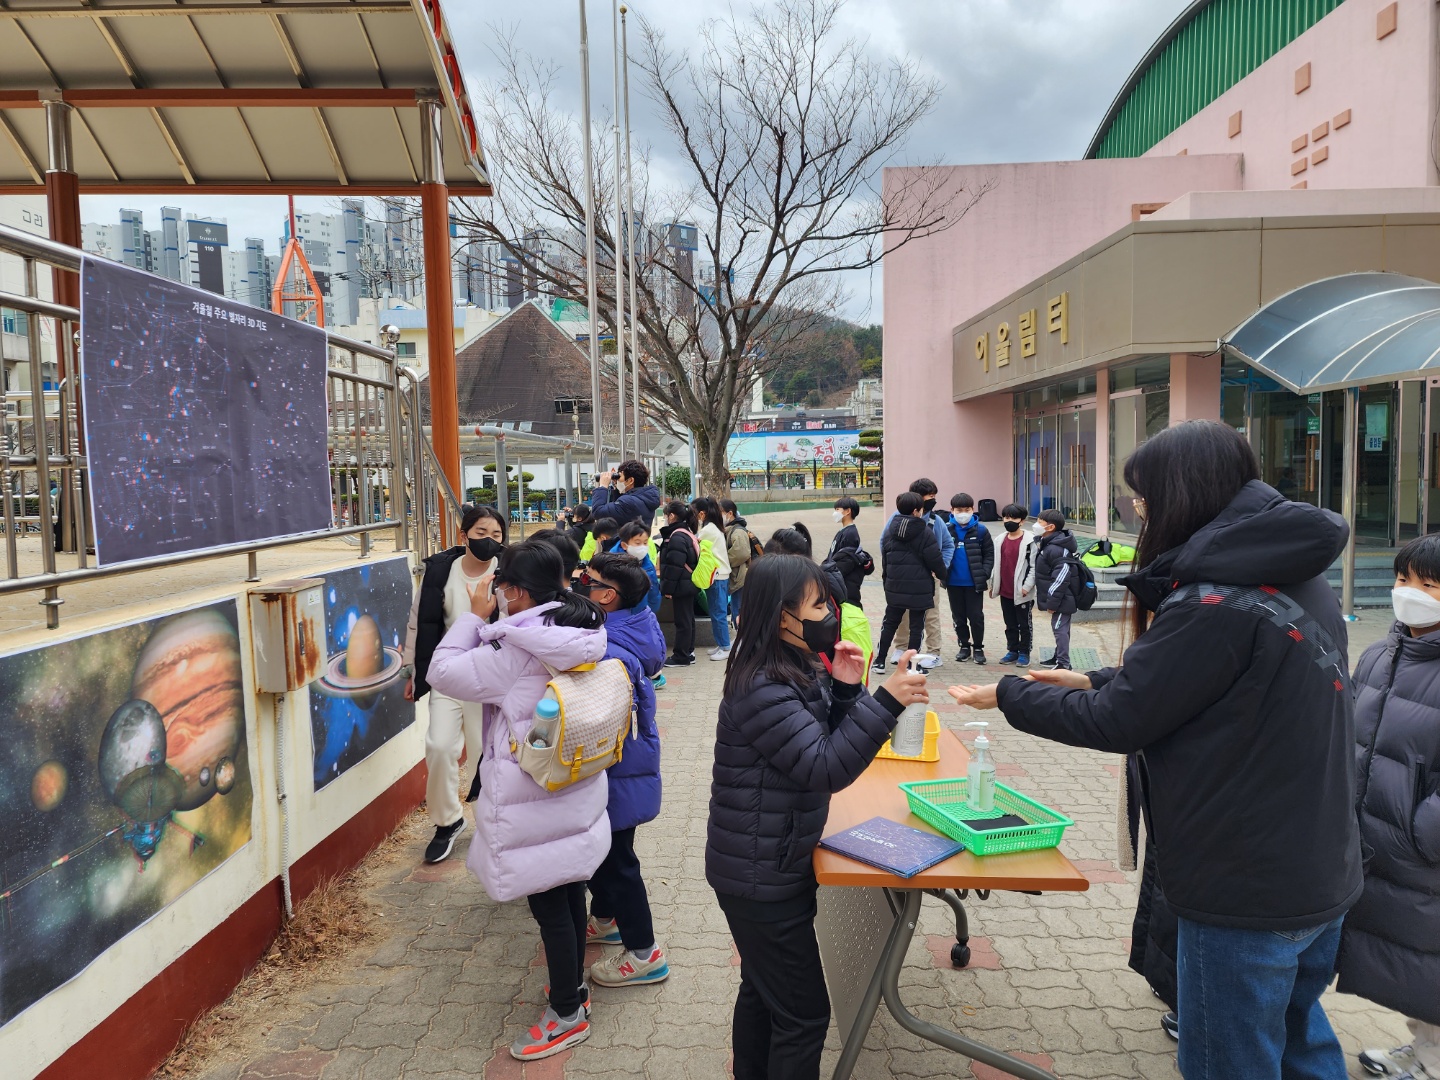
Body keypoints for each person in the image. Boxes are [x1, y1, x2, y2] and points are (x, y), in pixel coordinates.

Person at [947, 420, 1363, 1080]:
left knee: (1231, 1061)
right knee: (1298, 1044)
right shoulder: (1292, 577)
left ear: (1181, 496)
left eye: (1141, 501)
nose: (1138, 515)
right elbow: (1213, 686)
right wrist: (1090, 676)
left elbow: (1121, 721)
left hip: (1244, 891)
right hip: (1315, 871)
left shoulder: (1214, 600)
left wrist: (1009, 695)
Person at [707, 554, 929, 1080]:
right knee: (804, 1016)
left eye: (827, 601)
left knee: (763, 992)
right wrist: (886, 702)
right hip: (761, 876)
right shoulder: (763, 685)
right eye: (816, 604)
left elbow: (822, 736)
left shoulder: (790, 663)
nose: (828, 613)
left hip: (769, 862)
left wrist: (849, 687)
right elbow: (825, 765)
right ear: (779, 615)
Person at [426, 540, 611, 1061]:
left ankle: (567, 1016)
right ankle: (571, 991)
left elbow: (441, 673)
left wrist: (472, 617)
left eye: (502, 586)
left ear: (517, 591)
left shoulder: (515, 647)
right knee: (569, 891)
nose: (498, 594)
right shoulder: (579, 628)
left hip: (532, 797)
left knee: (550, 904)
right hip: (573, 784)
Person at [1336, 533, 1440, 1080]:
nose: (1409, 593)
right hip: (1380, 840)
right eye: (1404, 579)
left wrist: (1422, 835)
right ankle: (1422, 1052)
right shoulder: (1383, 652)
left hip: (1420, 851)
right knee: (1414, 966)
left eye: (1429, 584)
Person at [574, 553, 671, 987]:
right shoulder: (638, 620)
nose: (579, 585)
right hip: (627, 770)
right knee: (610, 854)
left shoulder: (607, 650)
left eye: (586, 581)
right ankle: (607, 918)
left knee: (616, 862)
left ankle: (645, 953)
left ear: (607, 596)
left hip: (616, 773)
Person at [402, 504, 508, 864]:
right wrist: (411, 669)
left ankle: (489, 825)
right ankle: (447, 821)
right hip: (447, 672)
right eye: (481, 534)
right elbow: (419, 621)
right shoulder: (439, 571)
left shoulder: (508, 570)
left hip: (487, 676)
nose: (489, 541)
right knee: (440, 746)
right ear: (463, 536)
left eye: (496, 535)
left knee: (483, 753)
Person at [873, 490, 946, 674]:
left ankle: (879, 661)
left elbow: (885, 557)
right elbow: (935, 558)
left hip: (895, 585)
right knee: (916, 626)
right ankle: (913, 664)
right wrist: (943, 575)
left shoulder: (890, 530)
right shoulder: (924, 531)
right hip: (919, 587)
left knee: (889, 623)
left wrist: (886, 581)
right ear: (916, 511)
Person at [893, 478, 953, 668]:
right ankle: (901, 648)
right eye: (929, 497)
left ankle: (934, 652)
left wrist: (941, 567)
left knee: (931, 614)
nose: (933, 500)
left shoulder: (936, 521)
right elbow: (884, 544)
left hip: (928, 578)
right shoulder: (898, 518)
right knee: (903, 614)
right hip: (904, 577)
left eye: (934, 497)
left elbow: (948, 545)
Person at [945, 493, 993, 665]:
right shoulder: (946, 529)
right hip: (953, 583)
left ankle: (978, 648)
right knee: (958, 617)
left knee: (976, 616)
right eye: (959, 510)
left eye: (967, 509)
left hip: (974, 583)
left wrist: (984, 573)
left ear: (973, 510)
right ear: (952, 510)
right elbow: (939, 552)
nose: (963, 513)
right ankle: (964, 646)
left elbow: (989, 555)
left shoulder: (981, 530)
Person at [989, 503, 1036, 666]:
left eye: (1013, 518)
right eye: (1006, 517)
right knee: (1009, 623)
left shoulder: (1030, 541)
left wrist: (1026, 587)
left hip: (1022, 592)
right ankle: (1012, 650)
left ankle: (1024, 652)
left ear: (1022, 521)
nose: (1009, 521)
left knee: (1024, 624)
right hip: (1005, 590)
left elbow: (1033, 567)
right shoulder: (1000, 539)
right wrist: (994, 584)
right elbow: (997, 564)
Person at [1033, 508, 1078, 670]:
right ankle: (1058, 657)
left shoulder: (1056, 548)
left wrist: (1052, 602)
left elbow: (1061, 577)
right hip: (1061, 598)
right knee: (1062, 629)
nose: (1036, 524)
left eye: (1039, 522)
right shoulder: (1050, 544)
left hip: (1062, 599)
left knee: (1060, 629)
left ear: (1050, 527)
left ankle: (1063, 664)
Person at [657, 500, 700, 667]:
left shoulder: (676, 537)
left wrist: (668, 588)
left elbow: (675, 566)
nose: (665, 519)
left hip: (681, 585)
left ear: (672, 516)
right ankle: (688, 652)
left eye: (666, 515)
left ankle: (681, 656)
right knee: (688, 619)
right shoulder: (686, 533)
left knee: (683, 621)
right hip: (688, 583)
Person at [691, 496, 734, 661]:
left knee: (718, 614)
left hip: (717, 577)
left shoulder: (708, 530)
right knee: (716, 613)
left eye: (694, 512)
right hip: (718, 576)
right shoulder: (713, 527)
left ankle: (725, 647)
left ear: (702, 513)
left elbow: (695, 543)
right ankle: (721, 644)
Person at [589, 459, 662, 530]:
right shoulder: (644, 498)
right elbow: (620, 511)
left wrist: (603, 487)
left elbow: (598, 512)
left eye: (619, 476)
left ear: (630, 480)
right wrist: (616, 488)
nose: (617, 480)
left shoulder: (629, 502)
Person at [721, 498, 753, 628]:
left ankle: (741, 639)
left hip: (741, 578)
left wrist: (723, 560)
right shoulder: (731, 529)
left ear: (730, 513)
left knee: (739, 612)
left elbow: (742, 553)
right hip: (737, 577)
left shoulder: (738, 531)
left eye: (721, 512)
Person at [617, 521, 662, 613]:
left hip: (644, 615)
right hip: (623, 618)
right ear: (624, 545)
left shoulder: (647, 563)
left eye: (645, 543)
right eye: (637, 543)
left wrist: (651, 611)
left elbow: (653, 590)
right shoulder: (614, 565)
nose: (642, 547)